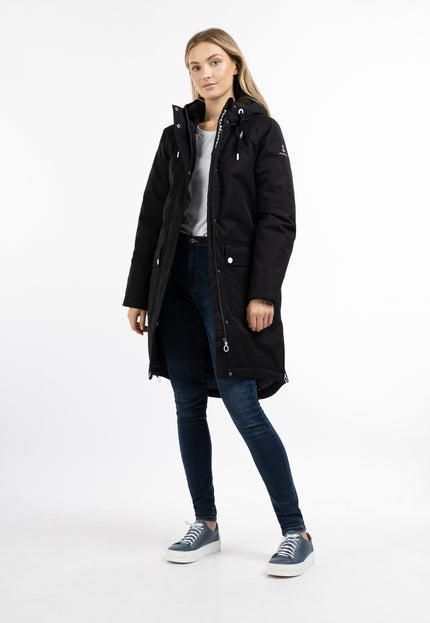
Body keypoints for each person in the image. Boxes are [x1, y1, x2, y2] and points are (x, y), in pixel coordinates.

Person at [122, 28, 315, 577]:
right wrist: (139, 294)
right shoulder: (175, 136)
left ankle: (296, 532)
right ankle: (204, 523)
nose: (204, 74)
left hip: (227, 281)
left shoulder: (261, 130)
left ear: (233, 64)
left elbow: (279, 219)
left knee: (242, 405)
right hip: (175, 280)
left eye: (213, 62)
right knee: (187, 404)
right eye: (194, 66)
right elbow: (153, 218)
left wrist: (263, 292)